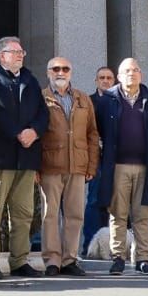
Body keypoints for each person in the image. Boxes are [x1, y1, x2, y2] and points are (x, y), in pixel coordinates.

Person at [0, 35, 48, 280]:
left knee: (24, 213)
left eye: (21, 52)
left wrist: (34, 131)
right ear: (1, 55)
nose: (20, 55)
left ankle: (19, 261)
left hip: (26, 157)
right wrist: (17, 133)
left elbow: (42, 112)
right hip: (0, 156)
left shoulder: (30, 79)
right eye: (14, 51)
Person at [96, 57, 148, 275]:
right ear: (119, 75)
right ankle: (118, 258)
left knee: (143, 214)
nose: (131, 74)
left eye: (135, 70)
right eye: (126, 71)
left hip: (145, 165)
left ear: (141, 74)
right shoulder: (107, 100)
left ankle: (143, 258)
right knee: (118, 214)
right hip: (117, 166)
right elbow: (98, 128)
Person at [38, 55, 98, 277]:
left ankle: (69, 259)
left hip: (78, 166)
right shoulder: (41, 98)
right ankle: (52, 260)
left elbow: (92, 133)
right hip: (50, 165)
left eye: (65, 68)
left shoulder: (83, 99)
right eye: (55, 69)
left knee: (75, 214)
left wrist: (91, 164)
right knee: (50, 215)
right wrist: (36, 168)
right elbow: (36, 135)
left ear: (71, 72)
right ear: (48, 73)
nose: (60, 72)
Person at [81, 65, 118, 250]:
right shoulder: (88, 101)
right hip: (94, 158)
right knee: (94, 200)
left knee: (116, 200)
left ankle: (114, 244)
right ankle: (90, 244)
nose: (105, 81)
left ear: (114, 81)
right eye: (101, 78)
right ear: (96, 81)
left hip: (116, 157)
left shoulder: (120, 101)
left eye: (109, 78)